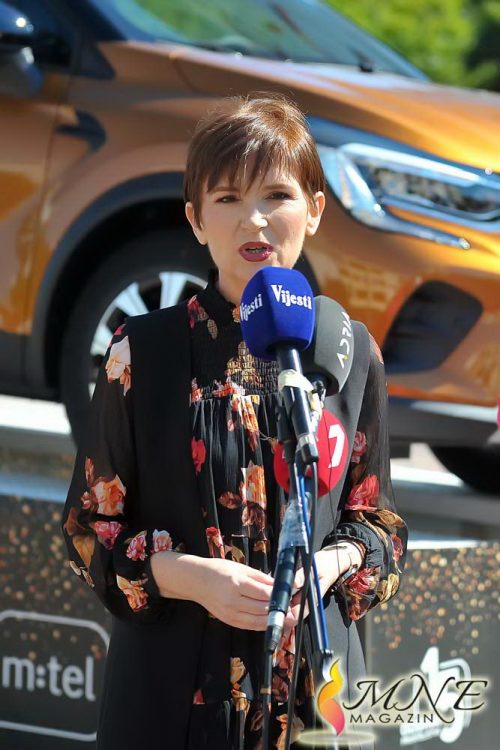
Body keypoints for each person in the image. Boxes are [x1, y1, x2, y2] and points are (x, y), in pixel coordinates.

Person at [61, 91, 408, 749]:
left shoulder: (348, 350)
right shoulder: (143, 351)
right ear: (195, 220)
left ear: (315, 210)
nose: (254, 219)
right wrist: (191, 578)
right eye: (227, 198)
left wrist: (329, 564)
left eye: (277, 195)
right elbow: (90, 530)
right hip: (173, 702)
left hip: (312, 701)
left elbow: (379, 524)